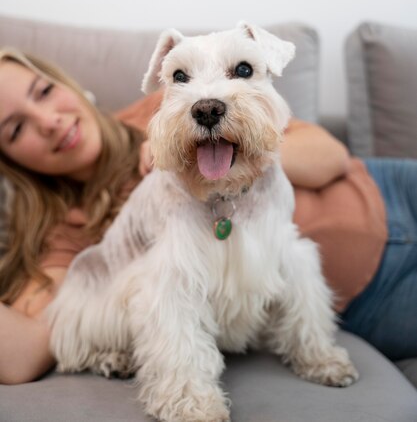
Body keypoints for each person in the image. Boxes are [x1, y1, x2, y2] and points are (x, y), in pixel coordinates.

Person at [0, 49, 415, 386]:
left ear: (66, 83)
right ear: (8, 161)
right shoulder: (60, 229)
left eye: (43, 92)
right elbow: (26, 353)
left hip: (387, 186)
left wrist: (244, 149)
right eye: (15, 129)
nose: (50, 122)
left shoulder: (165, 103)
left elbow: (332, 156)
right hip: (374, 290)